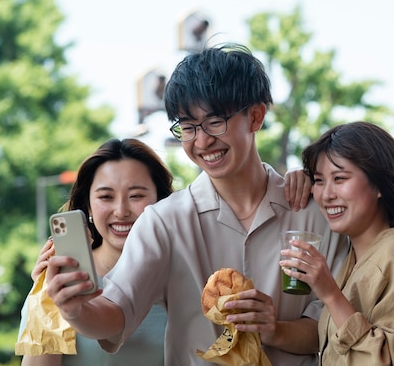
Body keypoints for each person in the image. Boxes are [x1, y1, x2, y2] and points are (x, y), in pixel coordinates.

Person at [45, 43, 350, 365]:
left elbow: (337, 325)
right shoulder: (163, 222)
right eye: (187, 127)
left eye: (215, 122)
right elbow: (117, 311)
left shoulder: (314, 213)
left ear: (256, 116)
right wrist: (75, 309)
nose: (202, 141)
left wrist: (274, 329)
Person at [280, 121, 394, 365]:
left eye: (340, 178)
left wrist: (330, 294)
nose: (326, 194)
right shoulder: (354, 258)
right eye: (319, 180)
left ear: (379, 184)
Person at [19, 138, 174, 366]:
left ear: (160, 201)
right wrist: (46, 301)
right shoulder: (62, 281)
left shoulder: (181, 274)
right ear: (88, 206)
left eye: (136, 196)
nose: (121, 211)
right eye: (106, 197)